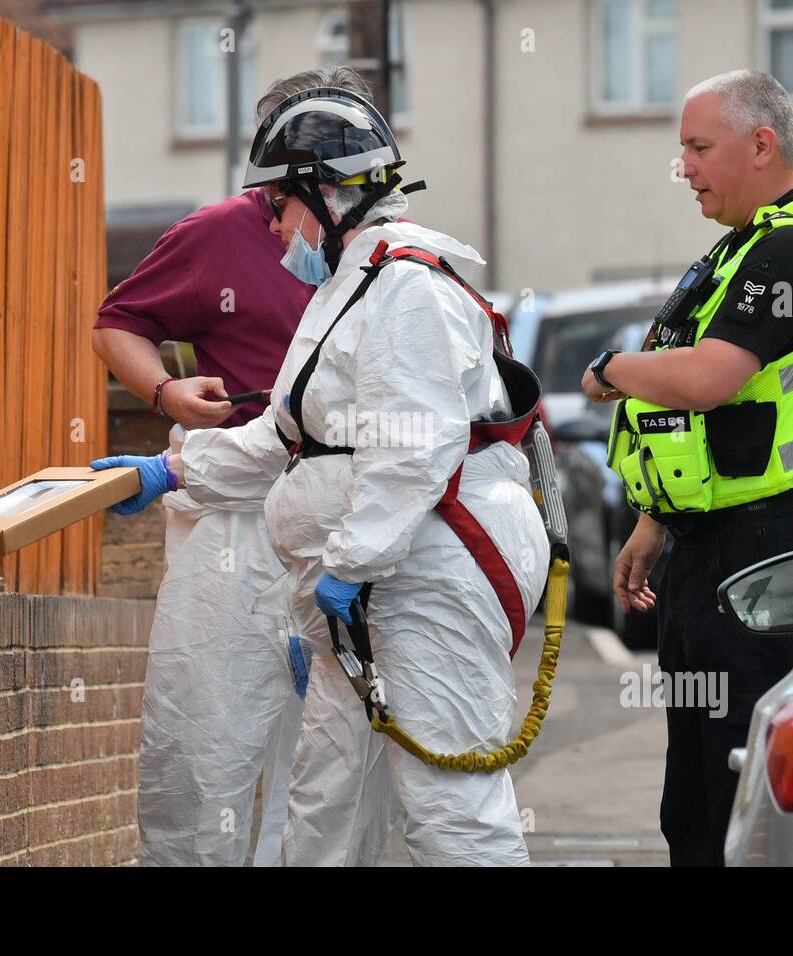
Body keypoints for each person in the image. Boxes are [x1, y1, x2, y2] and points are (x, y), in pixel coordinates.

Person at [154, 86, 548, 866]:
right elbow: (290, 438)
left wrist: (351, 562)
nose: (271, 224)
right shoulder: (349, 285)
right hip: (369, 590)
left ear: (328, 193)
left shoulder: (407, 288)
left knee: (450, 808)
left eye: (279, 203)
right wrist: (171, 471)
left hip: (425, 576)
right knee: (328, 801)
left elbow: (414, 445)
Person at [89, 68, 374, 867]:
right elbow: (118, 324)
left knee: (329, 766)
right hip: (236, 522)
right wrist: (167, 390)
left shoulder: (377, 246)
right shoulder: (218, 233)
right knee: (203, 741)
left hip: (341, 520)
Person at [582, 70, 793, 866]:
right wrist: (656, 520)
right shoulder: (749, 245)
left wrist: (610, 368)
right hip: (722, 551)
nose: (686, 169)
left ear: (761, 144)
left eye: (700, 149)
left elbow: (707, 379)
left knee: (739, 799)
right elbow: (711, 419)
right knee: (697, 801)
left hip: (766, 558)